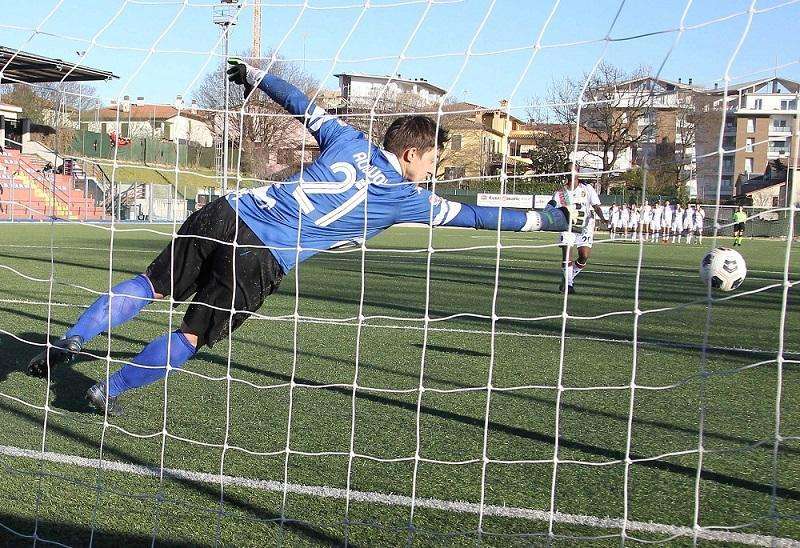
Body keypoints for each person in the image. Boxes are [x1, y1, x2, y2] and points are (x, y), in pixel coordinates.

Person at [26, 59, 581, 416]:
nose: (433, 170)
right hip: (262, 256)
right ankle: (108, 391)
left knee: (148, 284)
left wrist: (254, 75)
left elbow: (300, 103)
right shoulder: (409, 198)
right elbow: (479, 218)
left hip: (225, 214)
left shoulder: (346, 137)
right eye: (432, 159)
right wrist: (550, 221)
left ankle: (71, 340)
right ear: (411, 153)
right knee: (191, 337)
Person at [556, 161, 607, 294]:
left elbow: (595, 205)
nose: (572, 172)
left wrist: (603, 218)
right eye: (569, 170)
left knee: (584, 256)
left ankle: (568, 277)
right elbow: (554, 209)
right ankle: (568, 285)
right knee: (567, 254)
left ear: (578, 172)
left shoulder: (587, 188)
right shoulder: (561, 192)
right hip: (568, 226)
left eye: (574, 170)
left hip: (585, 226)